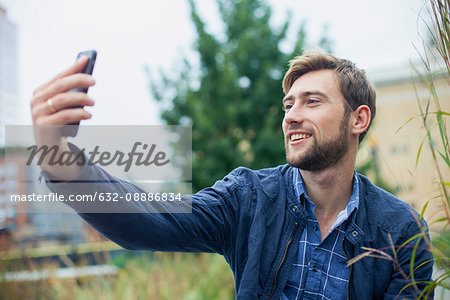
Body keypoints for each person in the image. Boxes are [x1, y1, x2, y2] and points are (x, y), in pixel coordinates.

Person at [30, 51, 434, 299]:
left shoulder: (400, 230)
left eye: (312, 102)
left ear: (357, 119)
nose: (292, 115)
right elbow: (147, 218)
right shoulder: (248, 198)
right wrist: (59, 158)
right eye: (288, 105)